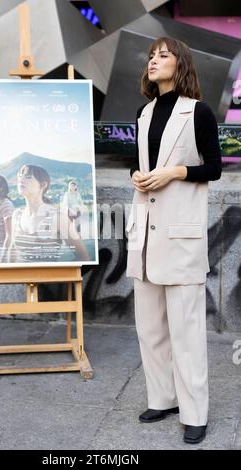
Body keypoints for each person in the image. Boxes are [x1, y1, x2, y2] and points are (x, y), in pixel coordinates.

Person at [126, 36, 222, 445]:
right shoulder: (144, 112)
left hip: (180, 233)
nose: (154, 60)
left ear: (179, 63)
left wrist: (175, 172)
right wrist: (137, 174)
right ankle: (163, 397)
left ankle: (195, 411)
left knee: (185, 329)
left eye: (163, 55)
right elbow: (142, 161)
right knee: (150, 327)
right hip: (144, 233)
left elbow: (214, 168)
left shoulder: (198, 112)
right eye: (151, 55)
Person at [9, 165, 89, 263]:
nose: (21, 180)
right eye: (20, 176)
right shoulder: (17, 215)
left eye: (28, 177)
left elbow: (83, 257)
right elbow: (12, 252)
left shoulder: (58, 217)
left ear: (43, 185)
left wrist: (55, 274)